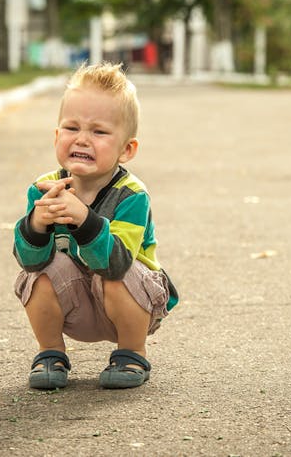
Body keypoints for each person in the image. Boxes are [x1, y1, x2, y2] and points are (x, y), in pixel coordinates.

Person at [12, 62, 178, 390]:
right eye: (72, 128)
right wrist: (36, 225)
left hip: (132, 305)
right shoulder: (44, 188)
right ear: (57, 136)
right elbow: (28, 260)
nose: (83, 140)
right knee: (39, 272)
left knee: (116, 274)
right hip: (75, 302)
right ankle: (50, 354)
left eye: (99, 132)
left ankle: (132, 354)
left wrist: (84, 219)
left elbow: (115, 264)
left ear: (126, 150)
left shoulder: (132, 196)